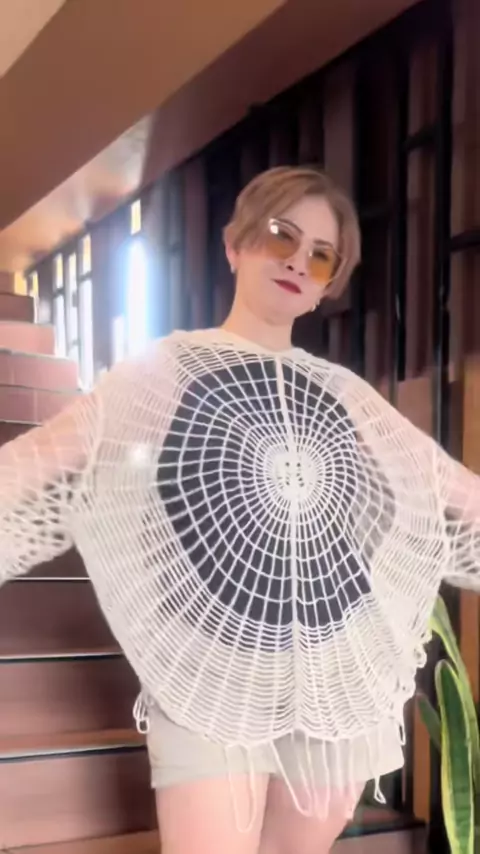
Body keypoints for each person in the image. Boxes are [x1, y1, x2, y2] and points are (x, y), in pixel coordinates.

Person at [1, 166, 479, 854]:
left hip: (332, 668)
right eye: (282, 235)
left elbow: (448, 493)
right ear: (236, 244)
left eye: (322, 255)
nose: (298, 261)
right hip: (212, 668)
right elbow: (41, 465)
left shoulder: (346, 394)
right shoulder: (167, 370)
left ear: (329, 282)